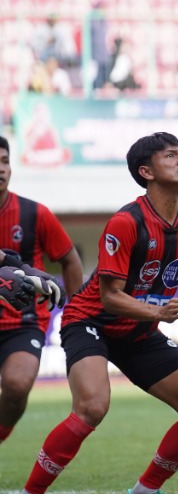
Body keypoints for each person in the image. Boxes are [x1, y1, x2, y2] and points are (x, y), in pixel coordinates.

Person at [9, 133, 178, 494]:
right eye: (171, 156)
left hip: (139, 329)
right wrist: (158, 313)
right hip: (91, 321)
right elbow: (110, 297)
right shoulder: (126, 222)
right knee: (92, 406)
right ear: (146, 172)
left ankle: (145, 493)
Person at [0, 137, 84, 451]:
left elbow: (70, 259)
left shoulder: (34, 213)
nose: (1, 169)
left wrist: (75, 314)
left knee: (17, 384)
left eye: (5, 161)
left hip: (24, 320)